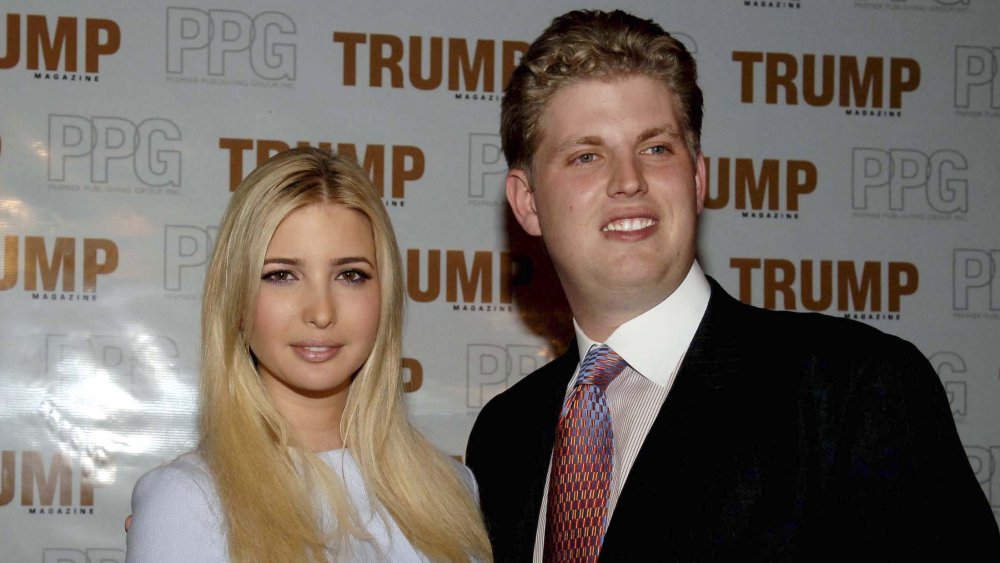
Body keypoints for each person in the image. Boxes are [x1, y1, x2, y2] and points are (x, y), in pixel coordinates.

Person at [465, 9, 999, 562]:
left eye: (656, 148)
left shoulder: (851, 391)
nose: (628, 181)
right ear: (527, 202)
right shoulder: (505, 437)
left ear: (697, 179)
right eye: (587, 155)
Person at [127, 147, 492, 562]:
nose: (321, 312)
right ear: (236, 300)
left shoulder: (451, 488)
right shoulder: (189, 501)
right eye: (281, 275)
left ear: (384, 296)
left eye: (350, 275)